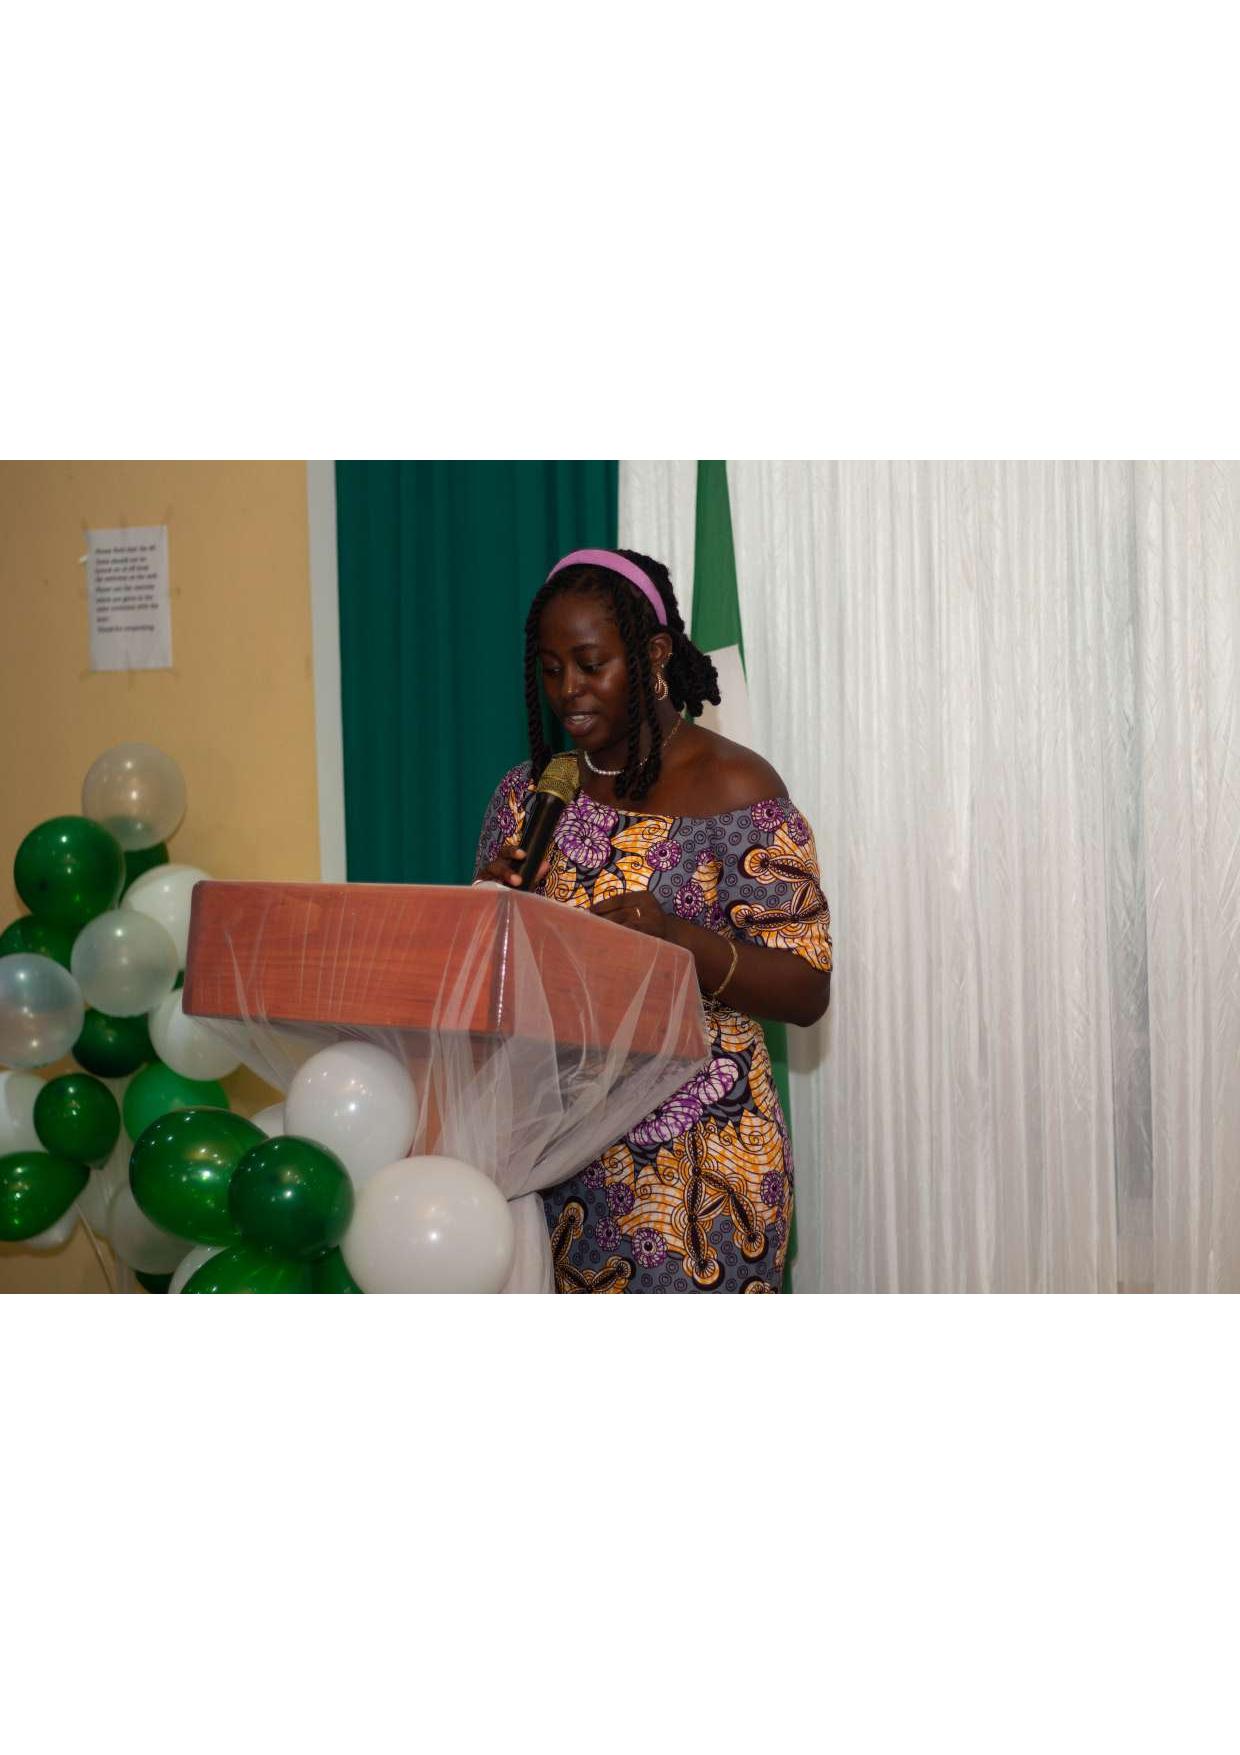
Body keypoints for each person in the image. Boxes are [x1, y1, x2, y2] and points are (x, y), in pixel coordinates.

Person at [475, 547, 832, 1293]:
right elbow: (483, 992)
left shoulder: (735, 785)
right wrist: (489, 910)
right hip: (553, 1155)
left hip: (702, 1166)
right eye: (549, 669)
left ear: (654, 653)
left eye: (590, 663)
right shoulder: (527, 797)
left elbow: (806, 988)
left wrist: (681, 942)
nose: (567, 691)